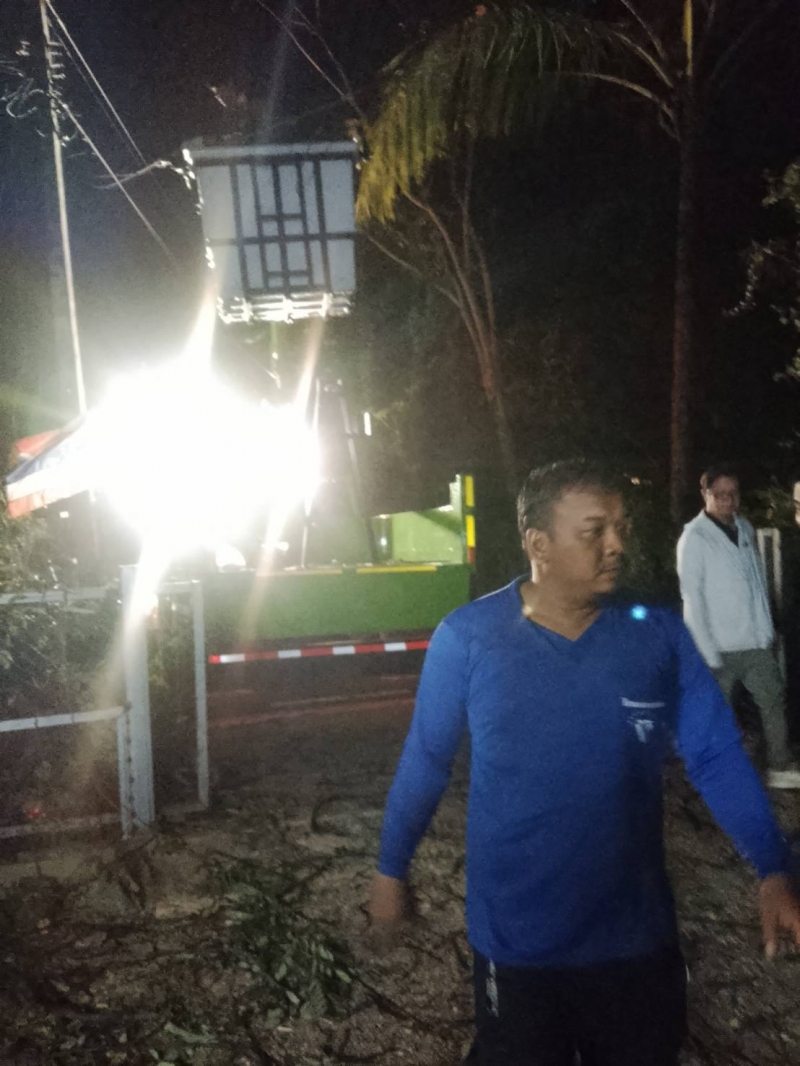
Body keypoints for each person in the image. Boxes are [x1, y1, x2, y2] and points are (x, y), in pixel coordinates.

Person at [369, 459, 800, 1066]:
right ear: (538, 544)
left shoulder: (657, 638)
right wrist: (391, 870)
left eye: (621, 528)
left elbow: (715, 755)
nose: (616, 545)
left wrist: (771, 867)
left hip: (635, 938)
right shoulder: (468, 639)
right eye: (595, 531)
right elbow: (426, 759)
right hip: (516, 943)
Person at [677, 463, 800, 789]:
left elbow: (755, 584)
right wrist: (706, 651)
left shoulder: (744, 528)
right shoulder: (694, 538)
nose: (727, 500)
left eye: (732, 493)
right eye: (720, 494)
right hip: (719, 646)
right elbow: (692, 598)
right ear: (705, 493)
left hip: (754, 641)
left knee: (773, 700)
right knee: (716, 713)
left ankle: (779, 764)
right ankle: (713, 770)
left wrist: (766, 630)